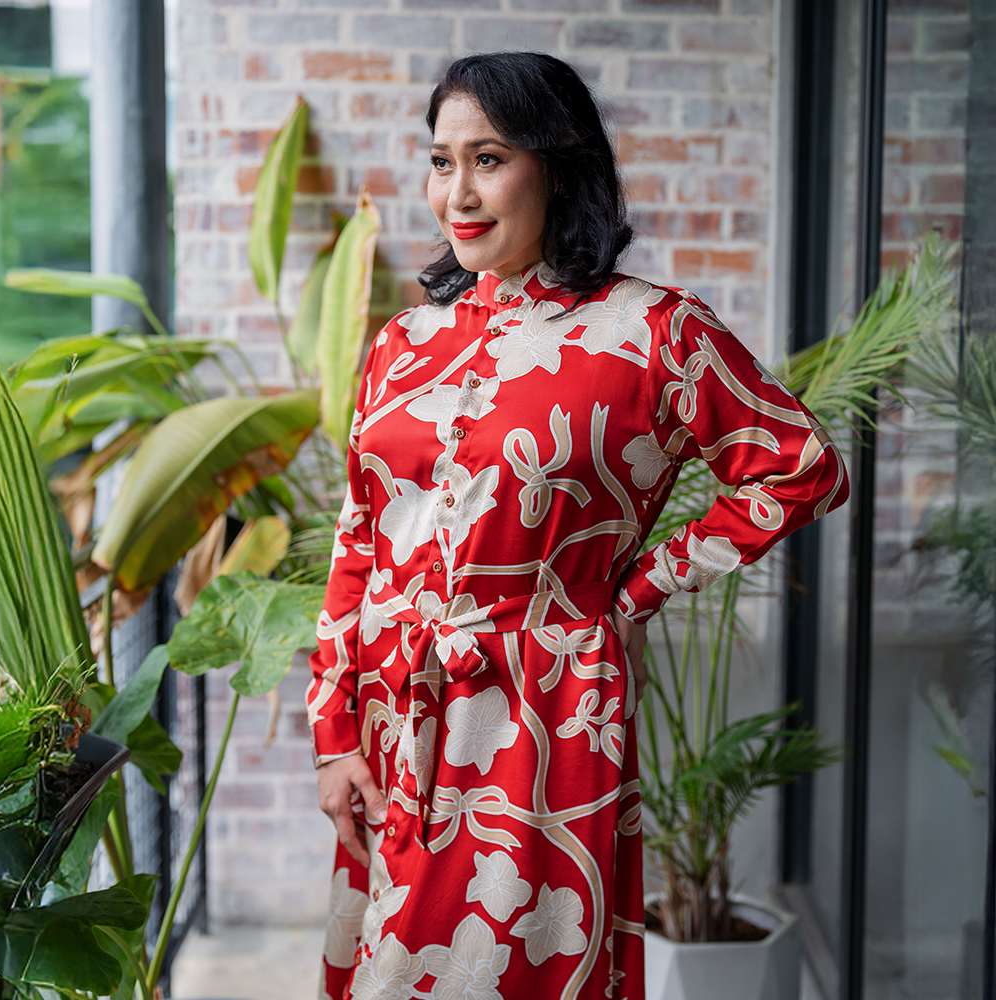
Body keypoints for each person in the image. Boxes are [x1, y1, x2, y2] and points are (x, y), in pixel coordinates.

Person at [307, 51, 848, 1000]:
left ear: (559, 165)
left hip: (541, 717)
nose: (458, 193)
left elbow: (799, 464)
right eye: (441, 161)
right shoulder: (402, 345)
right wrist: (336, 733)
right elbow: (361, 542)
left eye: (490, 158)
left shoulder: (653, 333)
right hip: (397, 724)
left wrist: (634, 591)